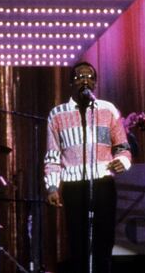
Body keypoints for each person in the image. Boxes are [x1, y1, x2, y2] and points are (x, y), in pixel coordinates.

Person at [44, 61, 132, 273]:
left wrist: (124, 162)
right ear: (70, 83)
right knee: (79, 244)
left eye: (90, 77)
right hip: (74, 186)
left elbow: (123, 147)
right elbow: (52, 156)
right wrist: (53, 187)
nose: (85, 80)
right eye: (79, 76)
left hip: (103, 182)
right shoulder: (57, 114)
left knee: (104, 242)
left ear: (95, 83)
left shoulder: (107, 109)